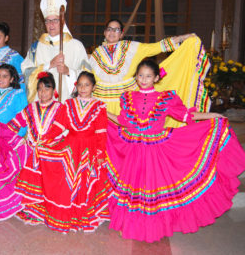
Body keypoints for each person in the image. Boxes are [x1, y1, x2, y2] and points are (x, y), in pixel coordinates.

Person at [106, 59, 245, 243]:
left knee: (151, 191)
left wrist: (211, 115)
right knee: (133, 191)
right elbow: (123, 121)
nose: (144, 79)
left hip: (156, 151)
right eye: (140, 75)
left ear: (156, 77)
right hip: (133, 151)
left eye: (148, 76)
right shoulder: (128, 97)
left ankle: (154, 227)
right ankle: (129, 225)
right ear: (136, 77)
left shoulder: (165, 98)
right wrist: (103, 112)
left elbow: (186, 115)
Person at [17, 71, 113, 233]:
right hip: (70, 146)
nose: (83, 88)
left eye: (87, 85)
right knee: (65, 179)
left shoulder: (99, 106)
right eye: (80, 84)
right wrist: (45, 140)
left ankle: (81, 214)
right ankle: (63, 212)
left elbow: (101, 133)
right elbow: (58, 127)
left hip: (88, 150)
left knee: (83, 181)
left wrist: (100, 154)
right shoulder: (69, 104)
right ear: (76, 86)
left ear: (93, 87)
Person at [89, 18, 211, 127]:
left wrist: (182, 38)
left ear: (121, 34)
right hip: (102, 103)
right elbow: (86, 76)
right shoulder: (96, 54)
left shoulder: (133, 47)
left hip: (128, 104)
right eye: (109, 29)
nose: (112, 32)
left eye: (116, 30)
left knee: (128, 141)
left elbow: (158, 46)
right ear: (105, 32)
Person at [21, 0, 89, 102]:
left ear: (62, 21)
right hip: (42, 104)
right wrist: (49, 65)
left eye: (55, 20)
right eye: (48, 21)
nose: (51, 24)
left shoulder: (76, 46)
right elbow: (26, 73)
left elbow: (88, 77)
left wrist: (68, 72)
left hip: (67, 103)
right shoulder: (36, 48)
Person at [7, 72, 63, 207]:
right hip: (32, 149)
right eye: (40, 89)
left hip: (52, 151)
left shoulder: (60, 108)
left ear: (54, 91)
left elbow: (65, 130)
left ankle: (48, 204)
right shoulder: (31, 107)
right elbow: (15, 124)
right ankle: (31, 205)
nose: (43, 92)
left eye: (46, 89)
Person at [0, 64, 28, 136]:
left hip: (9, 136)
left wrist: (17, 138)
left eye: (5, 76)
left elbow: (23, 118)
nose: (0, 78)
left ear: (11, 79)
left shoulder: (18, 95)